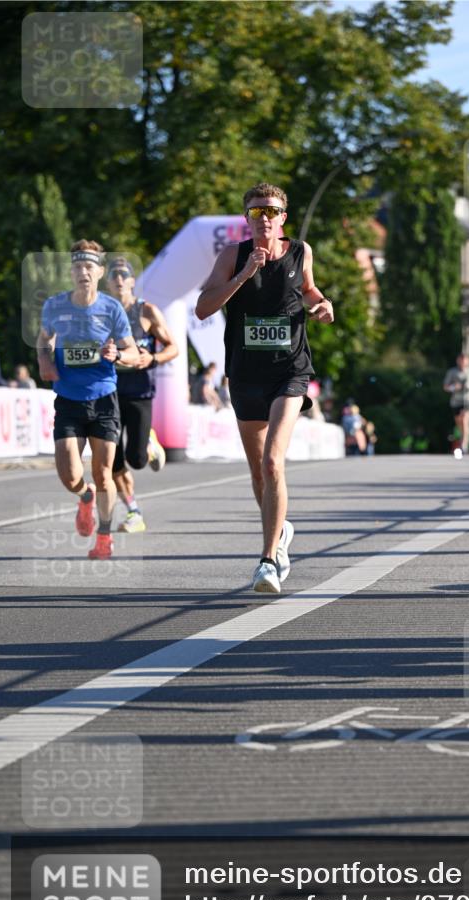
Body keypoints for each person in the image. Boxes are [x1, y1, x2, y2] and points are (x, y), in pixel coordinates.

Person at [195, 182, 334, 594]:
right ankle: (281, 532)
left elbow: (309, 289)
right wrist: (244, 274)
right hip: (245, 374)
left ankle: (268, 560)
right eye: (256, 212)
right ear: (247, 219)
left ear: (282, 218)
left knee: (274, 462)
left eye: (271, 211)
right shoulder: (232, 256)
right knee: (258, 472)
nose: (264, 219)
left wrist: (322, 304)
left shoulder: (300, 252)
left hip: (289, 371)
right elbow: (203, 307)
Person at [36, 240, 139, 559]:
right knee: (69, 475)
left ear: (99, 272)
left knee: (104, 472)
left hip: (104, 398)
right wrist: (45, 361)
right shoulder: (54, 306)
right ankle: (84, 497)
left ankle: (104, 536)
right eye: (78, 266)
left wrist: (118, 354)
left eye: (89, 266)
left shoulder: (111, 309)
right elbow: (43, 339)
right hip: (68, 398)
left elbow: (134, 353)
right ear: (71, 271)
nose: (84, 271)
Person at [106, 257, 178, 533]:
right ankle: (133, 512)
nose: (119, 279)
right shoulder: (103, 313)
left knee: (136, 459)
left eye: (124, 274)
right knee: (111, 458)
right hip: (108, 392)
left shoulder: (147, 311)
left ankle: (148, 439)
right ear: (109, 281)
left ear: (133, 281)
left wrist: (154, 359)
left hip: (139, 391)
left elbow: (173, 347)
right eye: (114, 274)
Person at [443, 352, 469, 459]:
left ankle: (464, 446)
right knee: (460, 424)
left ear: (468, 361)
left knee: (465, 420)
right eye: (461, 359)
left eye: (465, 359)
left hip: (468, 400)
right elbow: (445, 387)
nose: (463, 362)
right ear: (458, 360)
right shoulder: (452, 372)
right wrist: (454, 387)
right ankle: (465, 438)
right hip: (456, 401)